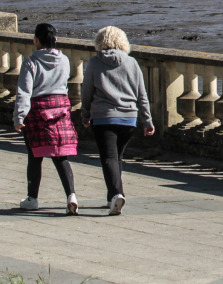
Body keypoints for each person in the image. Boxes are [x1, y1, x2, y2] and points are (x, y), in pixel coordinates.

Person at [80, 26, 153, 215]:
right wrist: (147, 120)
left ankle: (116, 194)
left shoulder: (95, 62)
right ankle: (112, 196)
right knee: (116, 157)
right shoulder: (132, 62)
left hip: (103, 117)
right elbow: (142, 95)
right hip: (129, 118)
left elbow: (86, 91)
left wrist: (85, 114)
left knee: (109, 158)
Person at [14, 23, 78, 215]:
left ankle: (32, 198)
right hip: (60, 109)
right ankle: (71, 196)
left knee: (35, 156)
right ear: (55, 40)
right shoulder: (65, 60)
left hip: (38, 111)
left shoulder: (30, 62)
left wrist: (19, 116)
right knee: (60, 156)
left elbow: (24, 92)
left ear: (36, 40)